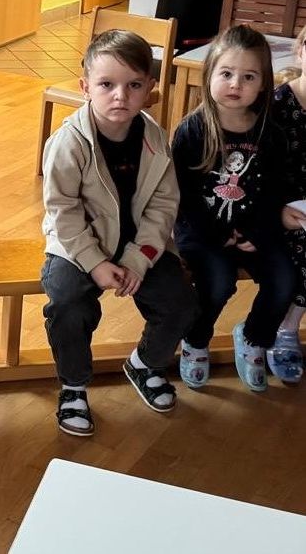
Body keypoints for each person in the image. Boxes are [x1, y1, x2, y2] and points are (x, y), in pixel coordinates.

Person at [41, 29, 198, 437]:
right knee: (68, 304)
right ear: (85, 87)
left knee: (181, 301)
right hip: (77, 247)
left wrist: (136, 259)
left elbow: (164, 206)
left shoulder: (154, 139)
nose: (120, 96)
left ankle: (145, 363)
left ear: (149, 87)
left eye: (133, 86)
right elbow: (63, 211)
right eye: (106, 85)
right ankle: (73, 386)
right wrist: (94, 264)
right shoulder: (68, 143)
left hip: (138, 245)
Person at [173, 24, 295, 392]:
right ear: (210, 73)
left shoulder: (269, 132)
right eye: (226, 73)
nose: (235, 84)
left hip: (255, 230)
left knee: (285, 280)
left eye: (248, 76)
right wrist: (222, 236)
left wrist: (256, 234)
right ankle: (195, 340)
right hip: (203, 233)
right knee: (218, 282)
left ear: (263, 83)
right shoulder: (193, 130)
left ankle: (254, 336)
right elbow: (183, 195)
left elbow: (274, 189)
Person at [266, 24, 306, 383]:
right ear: (301, 51)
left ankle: (288, 323)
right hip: (275, 207)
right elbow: (255, 171)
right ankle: (282, 328)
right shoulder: (278, 104)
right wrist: (275, 211)